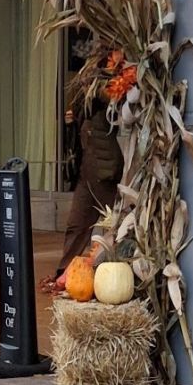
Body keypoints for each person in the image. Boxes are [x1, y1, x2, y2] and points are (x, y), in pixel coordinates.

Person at [40, 101, 123, 293]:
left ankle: (114, 275)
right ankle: (65, 274)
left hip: (105, 175)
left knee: (115, 226)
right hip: (85, 175)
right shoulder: (84, 107)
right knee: (76, 224)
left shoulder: (108, 103)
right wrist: (71, 122)